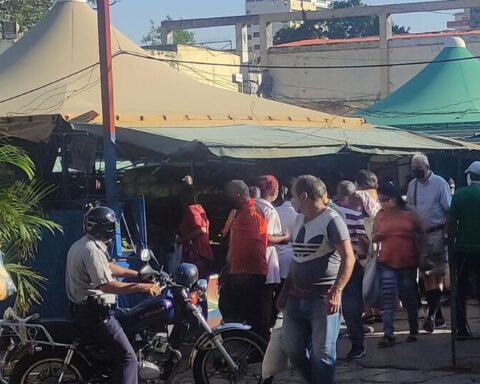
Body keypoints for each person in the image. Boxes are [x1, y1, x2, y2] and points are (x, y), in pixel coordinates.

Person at [66, 206, 161, 384]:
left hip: (87, 310)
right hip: (97, 315)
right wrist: (141, 287)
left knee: (130, 320)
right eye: (111, 226)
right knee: (128, 359)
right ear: (106, 229)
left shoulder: (83, 244)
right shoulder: (92, 251)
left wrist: (138, 275)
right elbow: (107, 285)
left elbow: (108, 267)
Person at [281, 175, 355, 384]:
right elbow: (297, 259)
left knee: (322, 355)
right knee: (293, 350)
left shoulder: (332, 219)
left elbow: (348, 258)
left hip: (322, 300)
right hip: (295, 299)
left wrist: (336, 291)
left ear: (303, 196)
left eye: (294, 195)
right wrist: (285, 292)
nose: (291, 200)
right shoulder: (299, 219)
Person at [373, 183, 424, 347]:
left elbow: (421, 234)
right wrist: (376, 237)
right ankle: (388, 333)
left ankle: (414, 329)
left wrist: (423, 255)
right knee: (387, 299)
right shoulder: (380, 215)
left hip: (408, 262)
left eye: (385, 199)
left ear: (395, 198)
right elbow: (373, 236)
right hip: (386, 261)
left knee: (408, 296)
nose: (382, 203)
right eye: (380, 200)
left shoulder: (410, 212)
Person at [219, 180, 270, 340]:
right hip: (239, 271)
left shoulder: (252, 213)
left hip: (249, 273)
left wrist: (237, 271)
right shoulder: (241, 212)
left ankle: (256, 349)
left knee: (252, 314)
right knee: (237, 311)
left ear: (238, 196)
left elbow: (253, 246)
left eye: (229, 196)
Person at [406, 153, 450, 333]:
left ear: (427, 166)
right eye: (414, 169)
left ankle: (432, 315)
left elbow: (448, 210)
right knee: (426, 277)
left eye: (419, 169)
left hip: (437, 234)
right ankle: (435, 315)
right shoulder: (412, 185)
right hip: (419, 237)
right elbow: (409, 209)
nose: (417, 172)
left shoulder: (440, 183)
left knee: (437, 275)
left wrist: (447, 234)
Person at [335, 180, 369, 359]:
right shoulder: (356, 215)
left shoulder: (330, 212)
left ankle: (328, 346)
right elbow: (363, 240)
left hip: (332, 263)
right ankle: (357, 345)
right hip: (352, 263)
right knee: (351, 305)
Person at [448, 161, 480, 339]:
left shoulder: (460, 194)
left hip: (463, 248)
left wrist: (449, 242)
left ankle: (461, 329)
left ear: (470, 176)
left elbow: (451, 222)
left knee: (460, 290)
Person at [255, 175, 290, 325]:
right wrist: (284, 237)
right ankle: (264, 330)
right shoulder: (269, 210)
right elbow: (267, 238)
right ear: (275, 190)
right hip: (267, 260)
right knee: (265, 299)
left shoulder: (251, 205)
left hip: (252, 260)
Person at [177, 186, 214, 280]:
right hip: (203, 251)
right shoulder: (199, 208)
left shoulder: (191, 209)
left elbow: (202, 229)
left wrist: (184, 238)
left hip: (197, 252)